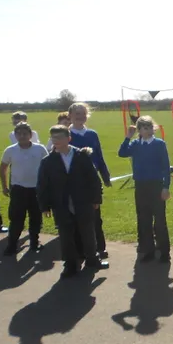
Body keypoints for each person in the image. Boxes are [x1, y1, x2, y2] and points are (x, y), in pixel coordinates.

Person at [37, 125, 109, 278]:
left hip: (83, 202)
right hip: (61, 204)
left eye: (59, 137)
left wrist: (96, 198)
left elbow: (93, 180)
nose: (56, 141)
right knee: (66, 235)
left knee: (88, 232)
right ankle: (70, 264)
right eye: (53, 138)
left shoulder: (81, 156)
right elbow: (43, 185)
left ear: (68, 138)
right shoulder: (48, 161)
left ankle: (92, 259)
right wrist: (44, 206)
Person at [118, 116, 171, 263]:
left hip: (156, 185)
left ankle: (164, 251)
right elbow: (122, 153)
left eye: (150, 127)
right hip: (141, 186)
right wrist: (128, 137)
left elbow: (165, 166)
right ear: (139, 130)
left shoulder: (159, 144)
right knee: (143, 219)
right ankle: (147, 250)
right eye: (144, 128)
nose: (148, 130)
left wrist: (166, 187)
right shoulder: (135, 144)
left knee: (159, 219)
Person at [68, 102, 111, 258]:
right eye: (77, 114)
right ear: (70, 116)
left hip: (92, 182)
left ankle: (100, 248)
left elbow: (98, 155)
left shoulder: (92, 134)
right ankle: (80, 251)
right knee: (76, 218)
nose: (80, 117)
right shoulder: (66, 134)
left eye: (83, 114)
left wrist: (105, 175)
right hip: (73, 182)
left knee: (95, 216)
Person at [0, 121, 48, 255]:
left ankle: (34, 243)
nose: (22, 136)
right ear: (15, 135)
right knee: (16, 219)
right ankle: (12, 245)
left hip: (36, 190)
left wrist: (47, 187)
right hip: (18, 190)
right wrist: (4, 186)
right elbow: (3, 168)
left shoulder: (40, 149)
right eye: (19, 134)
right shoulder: (10, 150)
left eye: (25, 133)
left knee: (36, 218)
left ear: (30, 135)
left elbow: (47, 168)